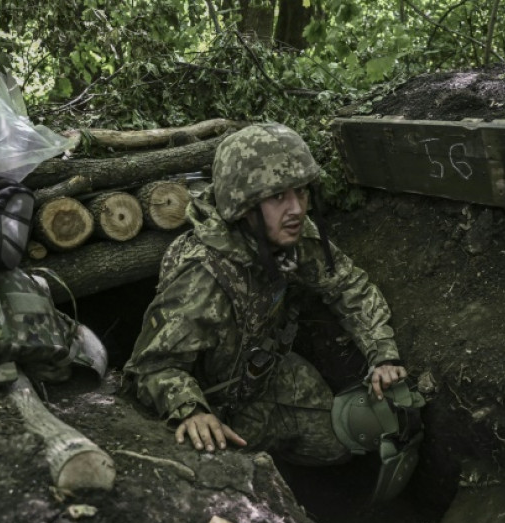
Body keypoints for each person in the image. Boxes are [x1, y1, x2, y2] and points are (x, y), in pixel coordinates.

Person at [122, 123, 423, 497]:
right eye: (278, 196)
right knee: (221, 485)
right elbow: (151, 366)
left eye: (301, 192)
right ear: (244, 207)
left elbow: (349, 286)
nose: (296, 208)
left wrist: (382, 354)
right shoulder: (202, 276)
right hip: (211, 403)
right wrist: (191, 411)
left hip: (264, 376)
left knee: (344, 441)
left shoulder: (289, 235)